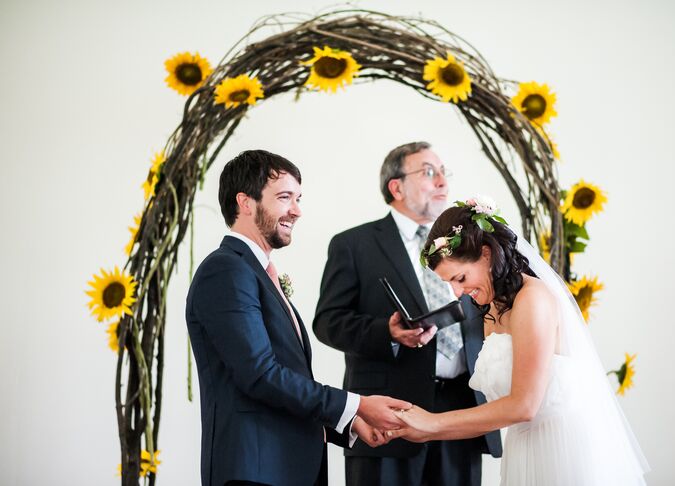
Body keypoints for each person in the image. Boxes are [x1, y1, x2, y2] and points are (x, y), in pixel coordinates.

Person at [185, 150, 410, 486]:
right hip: (255, 471)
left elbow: (284, 379)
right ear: (245, 202)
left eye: (298, 198)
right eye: (284, 197)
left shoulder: (254, 271)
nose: (297, 210)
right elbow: (260, 375)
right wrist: (356, 405)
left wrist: (347, 423)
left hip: (284, 466)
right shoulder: (226, 270)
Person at [389, 197, 650, 485]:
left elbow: (524, 406)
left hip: (563, 451)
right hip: (524, 450)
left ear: (486, 254)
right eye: (450, 283)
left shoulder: (533, 299)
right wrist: (420, 426)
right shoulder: (491, 309)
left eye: (460, 277)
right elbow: (497, 412)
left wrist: (432, 423)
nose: (458, 292)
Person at [313, 142, 502, 486]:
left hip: (461, 409)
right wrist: (386, 332)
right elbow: (327, 322)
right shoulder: (353, 244)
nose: (443, 181)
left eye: (445, 172)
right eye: (430, 172)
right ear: (396, 187)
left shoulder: (466, 243)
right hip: (388, 417)